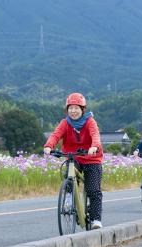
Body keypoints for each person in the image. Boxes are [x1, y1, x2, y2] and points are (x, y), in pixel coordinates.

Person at [43, 92, 104, 229]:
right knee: (69, 177)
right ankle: (69, 200)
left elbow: (95, 135)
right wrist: (48, 146)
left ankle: (96, 219)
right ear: (67, 109)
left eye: (77, 108)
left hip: (91, 158)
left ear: (83, 109)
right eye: (70, 108)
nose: (73, 111)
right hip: (73, 156)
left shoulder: (90, 121)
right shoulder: (65, 123)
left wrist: (94, 146)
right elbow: (56, 135)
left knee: (93, 189)